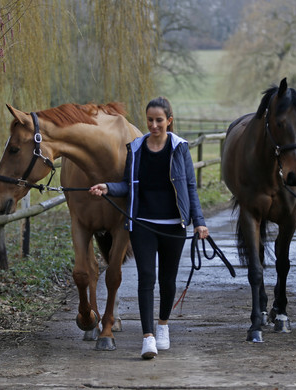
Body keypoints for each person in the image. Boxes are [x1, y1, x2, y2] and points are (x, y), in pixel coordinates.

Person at [89, 97, 209, 359]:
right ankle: (148, 337)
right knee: (146, 278)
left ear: (169, 120)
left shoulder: (179, 148)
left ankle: (163, 325)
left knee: (167, 281)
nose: (154, 125)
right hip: (143, 224)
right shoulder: (136, 148)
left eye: (159, 120)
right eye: (150, 120)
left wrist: (198, 221)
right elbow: (128, 185)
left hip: (173, 227)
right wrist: (108, 187)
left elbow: (190, 187)